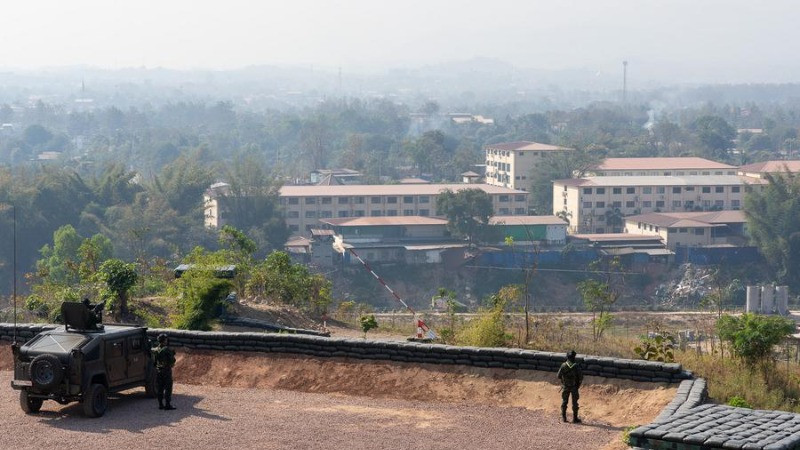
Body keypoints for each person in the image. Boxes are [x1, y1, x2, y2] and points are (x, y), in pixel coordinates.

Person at [557, 350, 583, 423]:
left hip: (565, 387)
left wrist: (563, 382)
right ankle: (575, 418)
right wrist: (578, 385)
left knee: (564, 401)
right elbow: (581, 377)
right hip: (574, 387)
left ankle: (564, 418)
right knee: (575, 403)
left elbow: (558, 376)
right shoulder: (576, 366)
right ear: (574, 357)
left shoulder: (563, 365)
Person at [152, 334, 176, 410]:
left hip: (159, 371)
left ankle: (160, 404)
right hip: (166, 371)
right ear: (164, 340)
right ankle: (167, 405)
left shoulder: (155, 349)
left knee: (160, 388)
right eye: (166, 339)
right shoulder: (167, 349)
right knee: (168, 388)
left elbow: (154, 362)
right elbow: (173, 360)